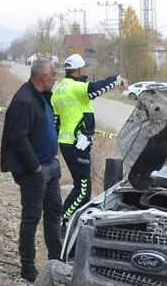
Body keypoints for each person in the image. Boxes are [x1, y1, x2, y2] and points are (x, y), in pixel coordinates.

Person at [0, 58, 62, 282]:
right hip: (34, 171)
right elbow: (17, 138)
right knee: (31, 217)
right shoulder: (23, 100)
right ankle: (27, 267)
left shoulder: (42, 95)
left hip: (51, 166)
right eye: (53, 75)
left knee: (54, 213)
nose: (55, 79)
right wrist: (35, 167)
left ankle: (56, 259)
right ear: (43, 77)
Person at [51, 54, 127, 230]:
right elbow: (96, 88)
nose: (84, 72)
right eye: (83, 69)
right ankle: (62, 221)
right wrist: (116, 80)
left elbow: (55, 121)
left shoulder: (59, 89)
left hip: (66, 142)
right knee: (83, 189)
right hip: (77, 143)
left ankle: (71, 222)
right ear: (79, 70)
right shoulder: (77, 87)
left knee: (83, 187)